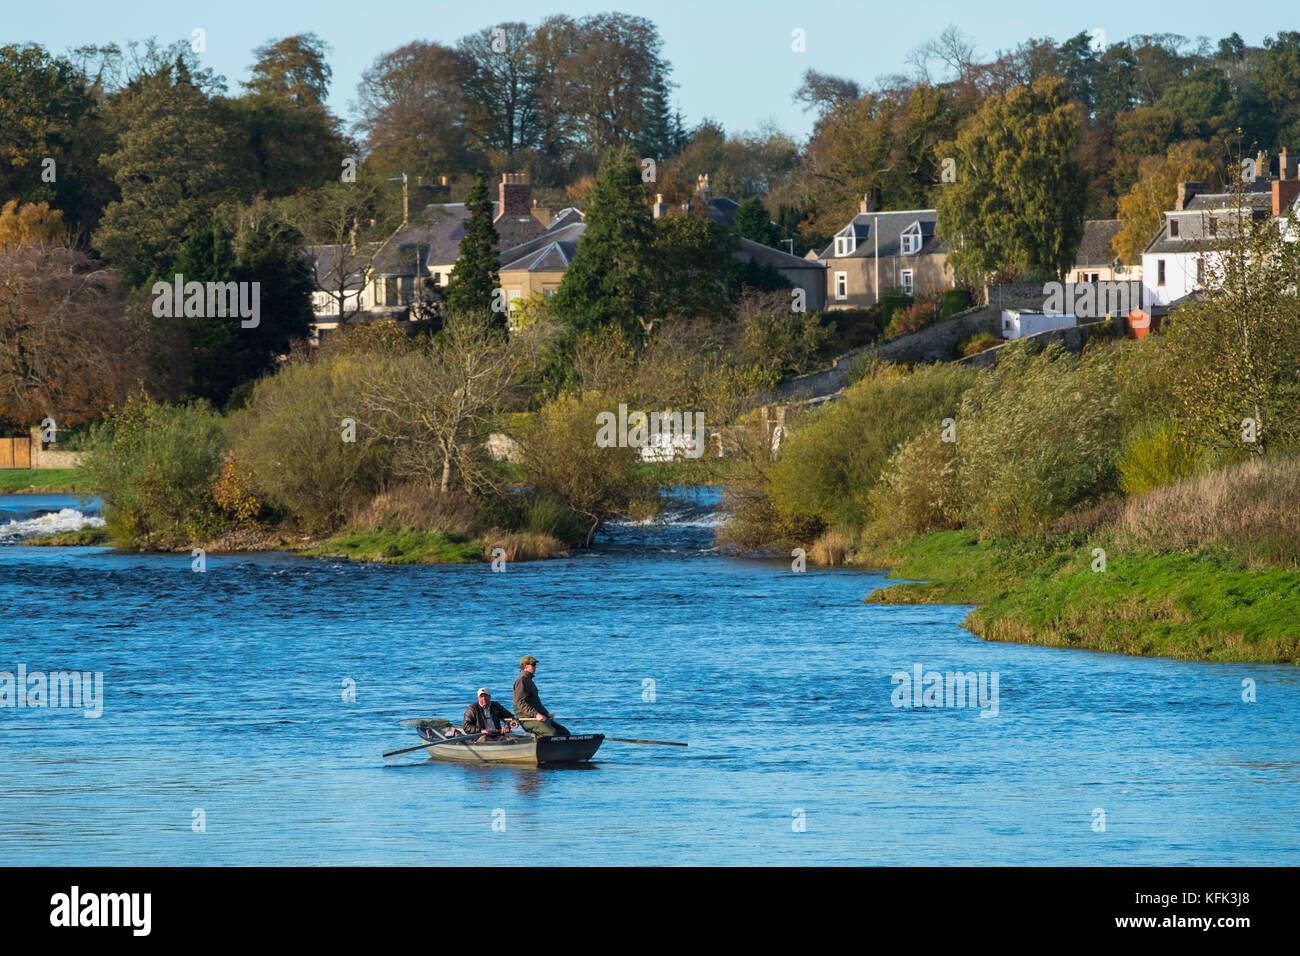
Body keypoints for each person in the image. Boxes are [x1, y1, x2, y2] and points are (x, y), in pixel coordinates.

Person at [513, 656, 570, 737]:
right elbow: (520, 703)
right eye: (533, 664)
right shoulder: (522, 680)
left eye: (535, 665)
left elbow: (536, 702)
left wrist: (546, 714)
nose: (535, 667)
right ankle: (539, 744)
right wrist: (536, 714)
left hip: (537, 716)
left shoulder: (529, 680)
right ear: (525, 666)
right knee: (551, 734)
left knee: (564, 732)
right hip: (527, 718)